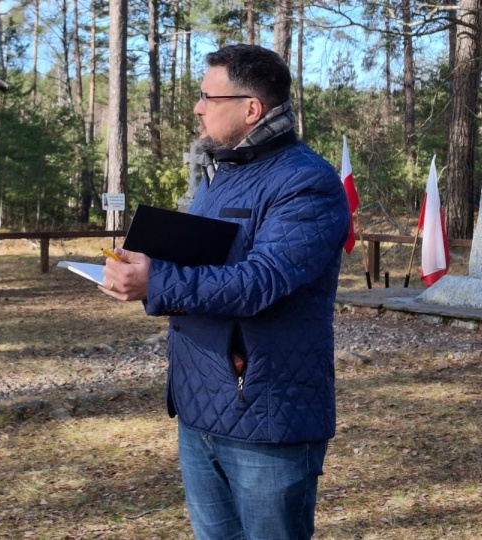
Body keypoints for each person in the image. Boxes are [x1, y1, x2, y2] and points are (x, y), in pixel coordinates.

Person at [100, 44, 350, 540]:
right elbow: (209, 261)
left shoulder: (306, 183)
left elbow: (262, 281)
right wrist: (152, 263)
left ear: (251, 109)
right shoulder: (223, 174)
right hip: (201, 404)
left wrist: (158, 280)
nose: (198, 107)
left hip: (266, 412)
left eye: (208, 97)